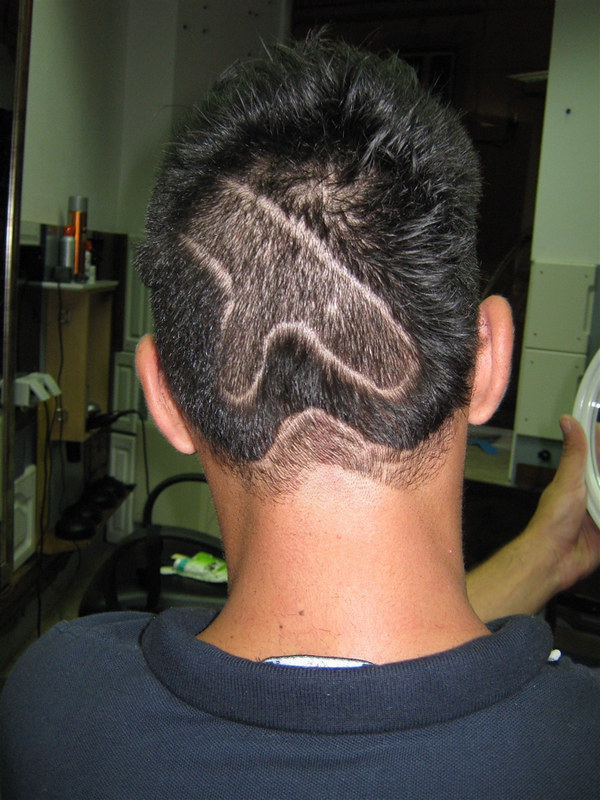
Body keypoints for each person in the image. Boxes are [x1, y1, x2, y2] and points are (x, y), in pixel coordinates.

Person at [2, 37, 600, 799]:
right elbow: (382, 681)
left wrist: (546, 558)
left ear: (164, 397)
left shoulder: (54, 706)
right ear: (488, 361)